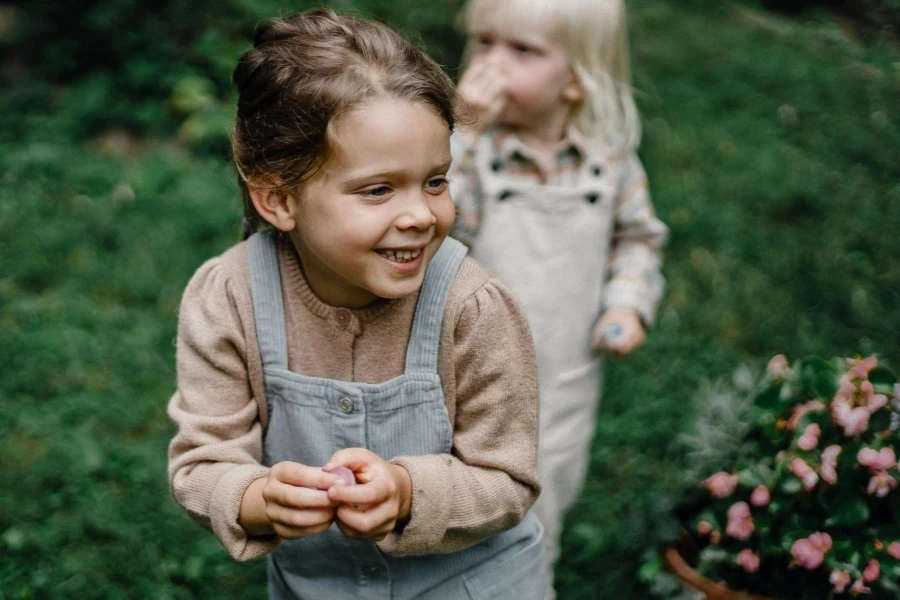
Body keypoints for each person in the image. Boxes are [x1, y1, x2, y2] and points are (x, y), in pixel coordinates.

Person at [166, 9, 547, 600]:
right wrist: (255, 499)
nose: (421, 214)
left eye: (436, 180)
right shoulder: (229, 299)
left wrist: (407, 493)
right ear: (277, 199)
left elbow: (508, 479)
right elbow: (203, 465)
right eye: (378, 189)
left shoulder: (472, 309)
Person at [451, 0, 669, 591]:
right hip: (470, 377)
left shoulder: (612, 166)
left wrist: (625, 301)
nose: (491, 64)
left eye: (521, 50)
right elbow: (426, 221)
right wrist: (462, 127)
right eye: (485, 41)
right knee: (465, 495)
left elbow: (638, 240)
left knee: (546, 489)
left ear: (577, 79)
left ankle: (527, 577)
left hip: (564, 378)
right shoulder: (475, 158)